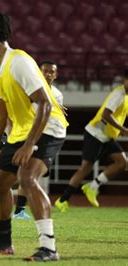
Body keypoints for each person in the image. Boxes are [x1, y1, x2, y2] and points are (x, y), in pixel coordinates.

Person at [0, 11, 68, 261]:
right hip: (23, 131)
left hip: (49, 127)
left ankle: (49, 248)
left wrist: (29, 144)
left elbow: (45, 105)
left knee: (27, 178)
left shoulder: (19, 61)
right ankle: (4, 243)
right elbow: (0, 118)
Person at [55, 69, 128, 212]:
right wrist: (122, 129)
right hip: (95, 134)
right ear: (125, 80)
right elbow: (106, 115)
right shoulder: (119, 94)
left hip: (106, 135)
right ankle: (62, 200)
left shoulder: (126, 95)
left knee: (122, 162)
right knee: (85, 168)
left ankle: (93, 186)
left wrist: (117, 129)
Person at [12, 60, 66, 219]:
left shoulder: (57, 94)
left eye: (52, 72)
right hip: (27, 134)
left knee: (28, 175)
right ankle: (1, 188)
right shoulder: (31, 89)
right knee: (22, 175)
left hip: (46, 136)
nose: (48, 74)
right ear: (39, 72)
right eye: (45, 71)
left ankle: (19, 209)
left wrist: (56, 107)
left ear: (56, 75)